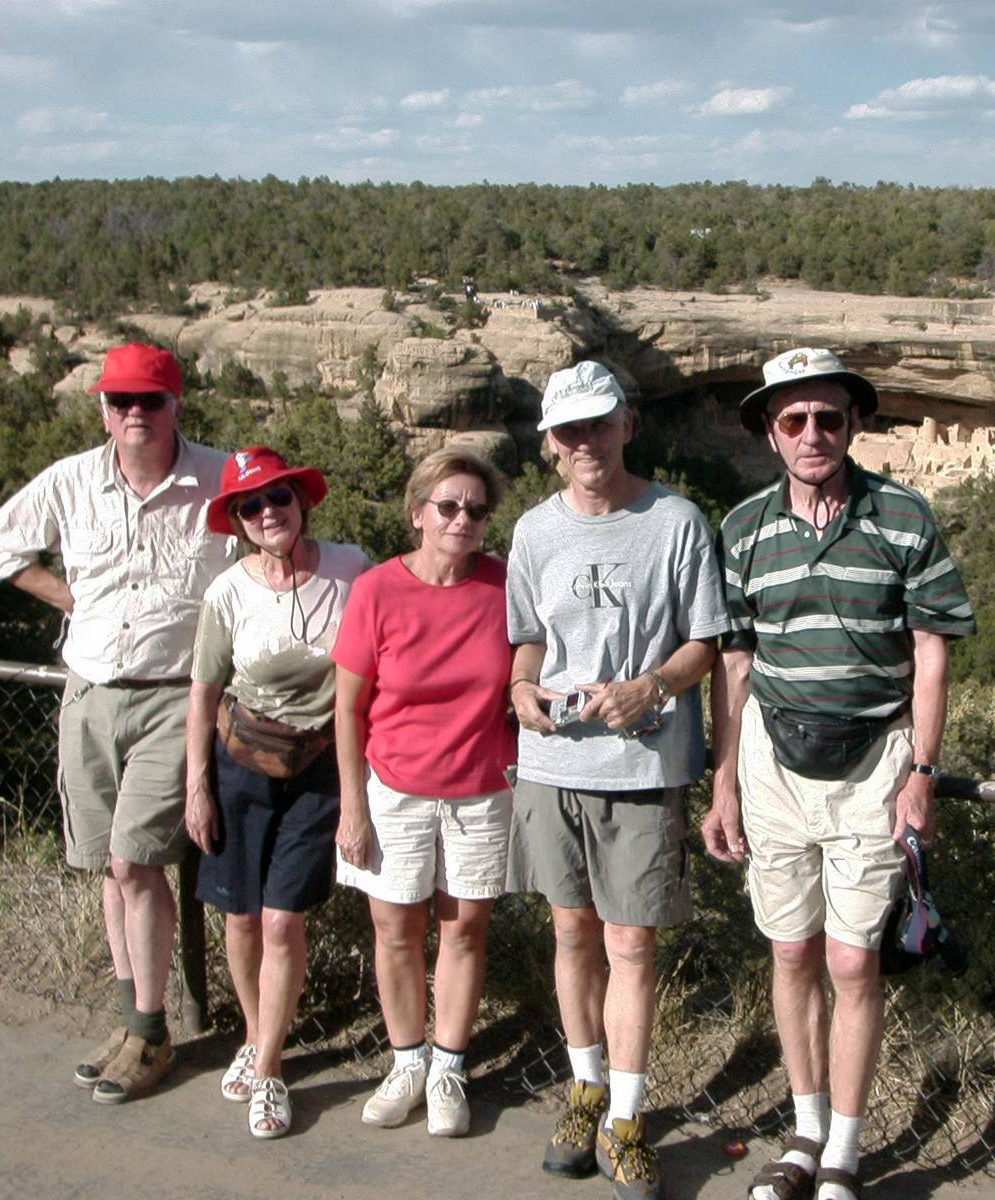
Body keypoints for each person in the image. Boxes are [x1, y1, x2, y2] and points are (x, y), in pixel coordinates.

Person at [704, 348, 975, 1200]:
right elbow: (735, 664)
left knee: (853, 963)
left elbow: (931, 653)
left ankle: (844, 1154)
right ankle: (805, 1132)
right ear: (769, 433)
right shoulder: (743, 529)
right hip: (773, 761)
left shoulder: (902, 516)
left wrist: (923, 770)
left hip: (873, 761)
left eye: (829, 416)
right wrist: (723, 781)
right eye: (794, 419)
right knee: (791, 951)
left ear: (854, 424)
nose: (813, 432)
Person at [0, 343, 235, 1103]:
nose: (134, 413)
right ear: (102, 408)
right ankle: (131, 1023)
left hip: (174, 696)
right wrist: (67, 597)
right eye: (121, 400)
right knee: (107, 868)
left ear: (176, 405)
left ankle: (151, 1032)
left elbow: (277, 544)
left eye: (150, 400)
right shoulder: (70, 481)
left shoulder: (221, 477)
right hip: (89, 692)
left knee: (134, 863)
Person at [505, 362, 730, 1200]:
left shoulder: (674, 521)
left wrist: (654, 686)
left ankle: (628, 1120)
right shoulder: (535, 531)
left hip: (641, 761)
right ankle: (586, 1090)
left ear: (628, 425)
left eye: (598, 424)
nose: (585, 442)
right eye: (569, 430)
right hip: (554, 759)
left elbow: (704, 641)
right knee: (572, 933)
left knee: (631, 942)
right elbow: (529, 635)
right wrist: (521, 687)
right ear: (550, 444)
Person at [183, 447, 370, 1138]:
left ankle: (268, 1072)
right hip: (240, 768)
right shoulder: (228, 593)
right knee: (240, 919)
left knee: (281, 920)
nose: (267, 513)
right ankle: (259, 1034)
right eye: (250, 506)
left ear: (303, 501)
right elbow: (203, 693)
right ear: (237, 521)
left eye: (278, 498)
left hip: (318, 768)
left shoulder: (352, 568)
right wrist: (197, 786)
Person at [331, 447, 516, 1139]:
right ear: (418, 514)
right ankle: (407, 1062)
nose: (463, 519)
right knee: (396, 930)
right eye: (448, 506)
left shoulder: (505, 587)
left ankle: (448, 1069)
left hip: (481, 790)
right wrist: (353, 807)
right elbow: (347, 708)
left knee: (463, 931)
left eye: (477, 509)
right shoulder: (377, 591)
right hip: (394, 789)